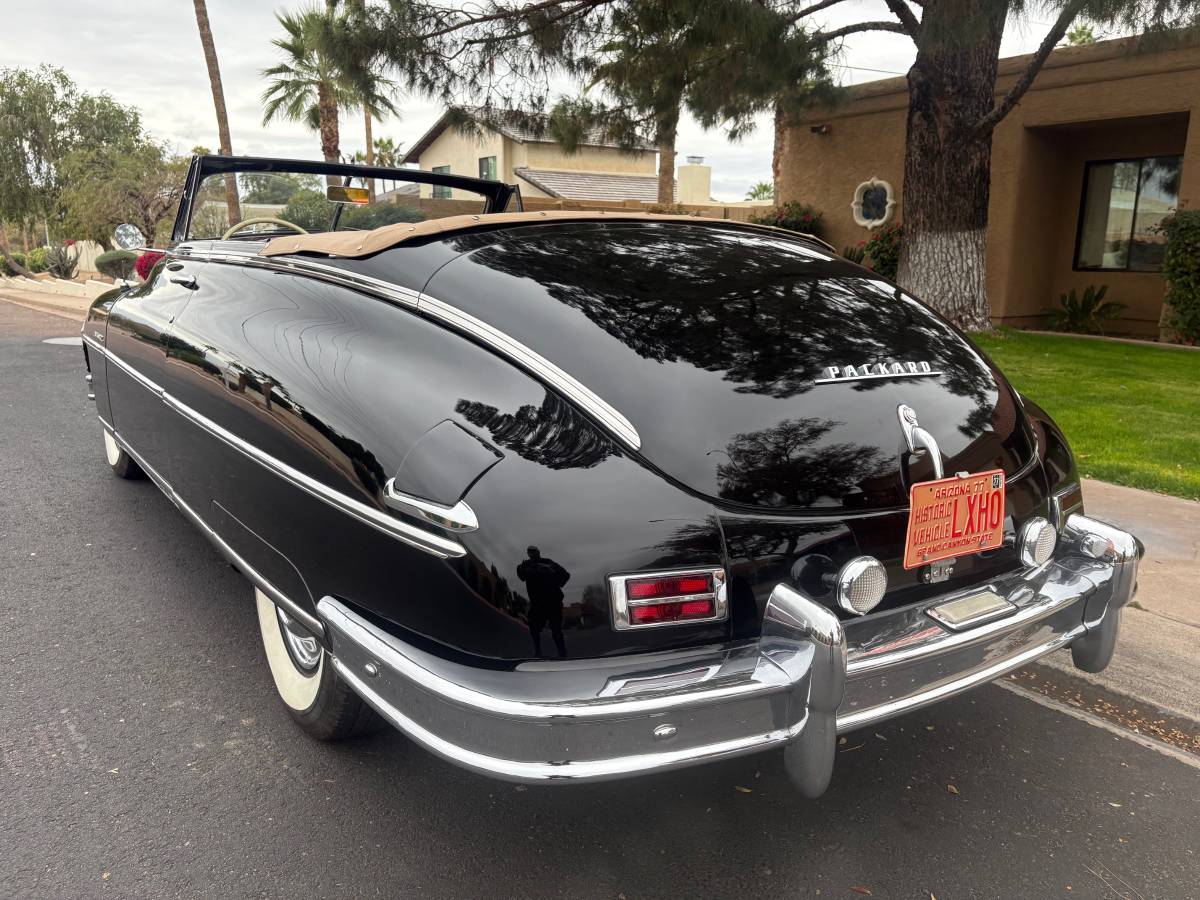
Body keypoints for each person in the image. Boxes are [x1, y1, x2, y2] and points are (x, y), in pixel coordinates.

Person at [516, 546, 569, 658]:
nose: (531, 554)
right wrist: (521, 568)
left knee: (556, 630)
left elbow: (565, 575)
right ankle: (538, 652)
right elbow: (521, 576)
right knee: (533, 626)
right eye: (529, 552)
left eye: (533, 551)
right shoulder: (526, 565)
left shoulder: (548, 562)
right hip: (537, 604)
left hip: (553, 601)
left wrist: (552, 575)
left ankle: (562, 654)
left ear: (538, 552)